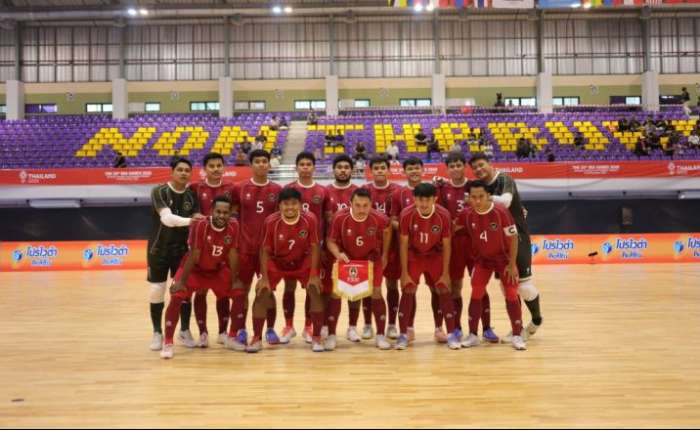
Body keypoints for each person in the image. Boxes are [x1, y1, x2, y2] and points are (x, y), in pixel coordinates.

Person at [469, 153, 543, 342]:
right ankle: (518, 328)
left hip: (518, 237)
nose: (478, 169)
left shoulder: (504, 179)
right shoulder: (482, 186)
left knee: (524, 287)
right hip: (499, 242)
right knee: (507, 287)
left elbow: (506, 201)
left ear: (490, 163)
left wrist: (484, 198)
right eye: (475, 167)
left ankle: (536, 320)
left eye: (481, 165)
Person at [160, 196, 241, 359]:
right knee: (176, 296)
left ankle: (229, 336)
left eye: (225, 212)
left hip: (216, 270)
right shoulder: (201, 225)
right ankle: (168, 342)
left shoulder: (234, 225)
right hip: (195, 270)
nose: (222, 215)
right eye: (218, 211)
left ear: (230, 213)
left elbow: (232, 254)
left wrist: (235, 280)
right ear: (211, 211)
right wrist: (182, 282)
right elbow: (194, 255)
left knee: (239, 293)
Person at [247, 188, 322, 352]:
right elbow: (264, 250)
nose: (290, 207)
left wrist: (314, 275)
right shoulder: (270, 221)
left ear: (300, 205)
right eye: (286, 204)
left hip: (302, 261)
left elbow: (315, 247)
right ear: (279, 205)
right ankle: (257, 338)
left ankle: (316, 337)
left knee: (315, 290)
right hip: (277, 262)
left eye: (294, 203)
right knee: (261, 292)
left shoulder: (310, 219)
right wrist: (264, 278)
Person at [456, 181, 527, 351]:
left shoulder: (501, 212)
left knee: (511, 294)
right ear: (468, 198)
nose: (477, 200)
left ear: (488, 195)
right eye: (473, 197)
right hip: (482, 260)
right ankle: (473, 335)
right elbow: (452, 228)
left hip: (504, 260)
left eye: (481, 196)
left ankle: (517, 335)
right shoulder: (466, 214)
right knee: (476, 292)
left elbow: (513, 238)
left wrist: (512, 264)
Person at [227, 149, 283, 348]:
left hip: (268, 252)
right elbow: (231, 217)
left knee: (267, 291)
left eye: (264, 161)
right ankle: (240, 330)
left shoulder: (277, 189)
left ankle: (270, 329)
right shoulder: (238, 188)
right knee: (241, 292)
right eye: (257, 161)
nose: (261, 164)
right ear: (251, 165)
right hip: (244, 249)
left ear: (269, 164)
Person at [147, 158, 202, 352]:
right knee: (157, 290)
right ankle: (157, 332)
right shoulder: (159, 191)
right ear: (172, 172)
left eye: (187, 170)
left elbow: (197, 217)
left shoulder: (191, 196)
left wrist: (199, 219)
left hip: (182, 251)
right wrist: (192, 221)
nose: (184, 173)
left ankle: (184, 330)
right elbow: (167, 219)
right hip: (158, 250)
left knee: (184, 291)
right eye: (180, 170)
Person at [327, 188, 393, 350]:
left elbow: (388, 231)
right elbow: (330, 241)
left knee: (376, 292)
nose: (361, 209)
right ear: (350, 203)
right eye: (357, 205)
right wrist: (338, 254)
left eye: (365, 205)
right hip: (347, 260)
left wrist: (384, 255)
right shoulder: (339, 217)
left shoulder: (380, 218)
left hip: (372, 260)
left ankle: (380, 335)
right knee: (336, 293)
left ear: (371, 204)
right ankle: (332, 335)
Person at [397, 183, 460, 351]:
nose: (424, 204)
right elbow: (403, 244)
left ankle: (451, 334)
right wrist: (404, 272)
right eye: (420, 200)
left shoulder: (443, 215)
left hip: (435, 255)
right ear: (414, 199)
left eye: (428, 200)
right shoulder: (406, 214)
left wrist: (445, 273)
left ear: (435, 199)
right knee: (408, 289)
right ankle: (402, 335)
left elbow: (447, 245)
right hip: (414, 256)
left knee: (443, 289)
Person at [281, 152, 329, 344]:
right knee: (289, 286)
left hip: (313, 249)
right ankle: (288, 326)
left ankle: (308, 326)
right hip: (290, 249)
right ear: (297, 167)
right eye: (302, 164)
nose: (306, 167)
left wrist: (324, 246)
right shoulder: (288, 189)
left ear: (314, 167)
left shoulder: (322, 191)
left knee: (312, 287)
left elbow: (327, 220)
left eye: (309, 164)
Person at [189, 153, 236, 346]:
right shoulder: (195, 188)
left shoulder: (232, 188)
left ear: (224, 168)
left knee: (223, 292)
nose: (216, 169)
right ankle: (203, 333)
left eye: (219, 165)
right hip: (202, 247)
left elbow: (236, 213)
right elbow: (190, 213)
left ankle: (223, 332)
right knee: (200, 291)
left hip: (223, 246)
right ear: (204, 169)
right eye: (212, 166)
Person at [322, 156, 368, 342]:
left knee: (354, 290)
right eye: (339, 167)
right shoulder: (325, 191)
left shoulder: (358, 192)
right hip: (331, 248)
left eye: (346, 167)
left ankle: (352, 327)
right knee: (329, 291)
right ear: (333, 169)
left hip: (354, 249)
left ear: (352, 170)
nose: (343, 170)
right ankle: (327, 326)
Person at [363, 156, 402, 339]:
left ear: (388, 170)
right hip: (368, 246)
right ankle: (367, 324)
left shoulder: (398, 191)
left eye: (382, 167)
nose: (379, 170)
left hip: (392, 246)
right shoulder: (364, 190)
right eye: (376, 168)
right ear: (371, 171)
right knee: (368, 285)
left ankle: (392, 324)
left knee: (392, 284)